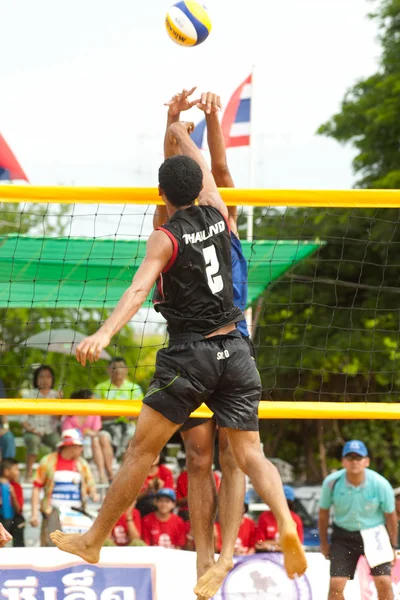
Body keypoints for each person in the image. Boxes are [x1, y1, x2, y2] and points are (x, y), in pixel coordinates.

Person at [50, 113, 307, 598]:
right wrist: (183, 133)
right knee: (250, 454)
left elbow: (137, 289)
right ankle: (284, 523)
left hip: (191, 354)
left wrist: (104, 333)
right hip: (237, 348)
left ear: (161, 194)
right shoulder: (218, 213)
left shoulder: (163, 238)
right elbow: (208, 173)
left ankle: (94, 540)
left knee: (141, 453)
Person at [154, 88, 250, 579]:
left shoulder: (221, 217)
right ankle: (203, 558)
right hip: (188, 343)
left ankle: (227, 554)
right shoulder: (172, 224)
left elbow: (217, 172)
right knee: (197, 456)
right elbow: (172, 178)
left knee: (235, 455)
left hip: (232, 338)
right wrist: (172, 122)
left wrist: (211, 120)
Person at [319, 440, 397, 600]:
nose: (354, 461)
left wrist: (393, 545)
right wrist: (323, 543)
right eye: (350, 457)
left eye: (358, 457)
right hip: (343, 535)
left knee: (383, 582)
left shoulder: (380, 484)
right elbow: (323, 513)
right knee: (336, 585)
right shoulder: (331, 482)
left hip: (375, 533)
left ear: (366, 461)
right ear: (343, 461)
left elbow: (391, 516)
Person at [31, 428, 99, 547]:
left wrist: (94, 494)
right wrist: (34, 514)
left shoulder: (82, 464)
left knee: (76, 549)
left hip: (76, 515)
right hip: (52, 513)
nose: (81, 449)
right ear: (69, 446)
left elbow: (90, 485)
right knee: (50, 547)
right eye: (79, 446)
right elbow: (36, 487)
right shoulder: (47, 461)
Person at [94, 357, 143, 461]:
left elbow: (142, 413)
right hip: (107, 427)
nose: (117, 370)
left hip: (130, 426)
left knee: (136, 439)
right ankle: (110, 473)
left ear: (126, 369)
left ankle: (124, 471)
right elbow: (95, 415)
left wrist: (131, 416)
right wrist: (114, 415)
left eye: (121, 367)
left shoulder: (135, 388)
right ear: (108, 369)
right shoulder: (100, 388)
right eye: (114, 367)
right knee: (104, 437)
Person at [21, 365, 61, 480]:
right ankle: (28, 474)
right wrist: (32, 429)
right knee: (33, 441)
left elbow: (60, 419)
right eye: (41, 376)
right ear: (36, 379)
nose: (45, 379)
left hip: (50, 431)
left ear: (52, 379)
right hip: (32, 430)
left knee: (58, 444)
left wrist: (60, 403)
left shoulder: (56, 396)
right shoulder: (28, 395)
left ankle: (54, 473)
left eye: (48, 376)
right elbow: (23, 420)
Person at [62, 390, 110, 483]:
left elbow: (96, 431)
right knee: (92, 441)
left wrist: (90, 433)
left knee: (96, 440)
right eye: (91, 401)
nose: (94, 403)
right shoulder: (69, 415)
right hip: (74, 443)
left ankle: (102, 474)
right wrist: (82, 436)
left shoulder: (94, 413)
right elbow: (66, 434)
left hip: (90, 444)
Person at [255, 485, 304, 552]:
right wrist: (284, 543)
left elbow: (297, 545)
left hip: (289, 557)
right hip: (266, 557)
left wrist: (271, 546)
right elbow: (259, 544)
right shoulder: (264, 516)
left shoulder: (295, 519)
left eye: (285, 502)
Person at [0, 458, 25, 547]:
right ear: (6, 471)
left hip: (12, 519)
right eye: (16, 469)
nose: (18, 472)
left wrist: (13, 495)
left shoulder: (16, 487)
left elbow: (18, 509)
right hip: (2, 519)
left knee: (19, 522)